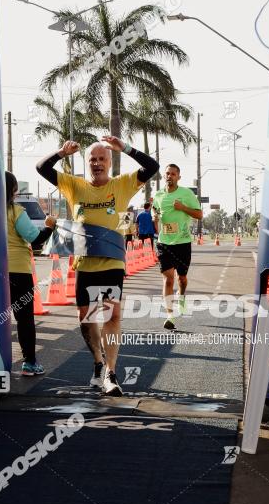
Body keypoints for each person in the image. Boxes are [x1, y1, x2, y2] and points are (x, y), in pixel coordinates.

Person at [37, 136, 158, 396]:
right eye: (93, 159)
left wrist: (125, 148)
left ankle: (111, 373)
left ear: (110, 162)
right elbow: (42, 169)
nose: (97, 163)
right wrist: (61, 153)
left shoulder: (123, 184)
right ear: (86, 163)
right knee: (86, 318)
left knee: (112, 316)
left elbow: (152, 167)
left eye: (102, 158)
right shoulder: (74, 186)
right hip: (84, 264)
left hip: (113, 262)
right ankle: (98, 363)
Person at [6, 171, 56, 376]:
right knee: (24, 319)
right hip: (18, 273)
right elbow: (35, 239)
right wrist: (49, 227)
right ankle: (29, 363)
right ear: (13, 190)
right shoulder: (16, 211)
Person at [152, 164, 203, 330]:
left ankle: (181, 296)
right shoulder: (158, 195)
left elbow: (199, 214)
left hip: (182, 243)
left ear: (178, 177)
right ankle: (170, 316)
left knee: (182, 278)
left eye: (173, 174)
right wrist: (155, 217)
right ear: (164, 176)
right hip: (164, 242)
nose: (169, 176)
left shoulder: (186, 194)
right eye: (167, 173)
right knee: (168, 279)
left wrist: (182, 208)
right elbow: (155, 212)